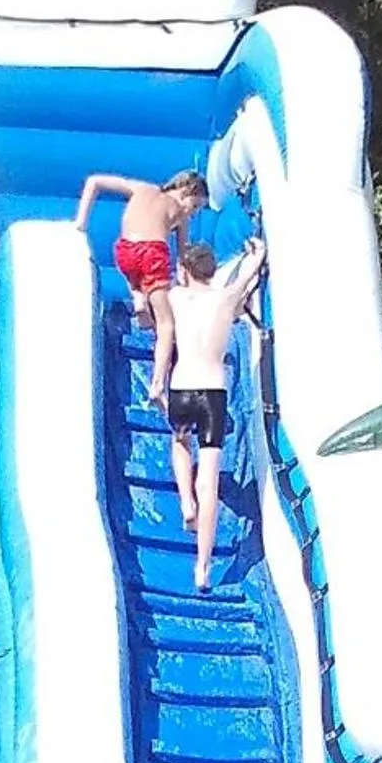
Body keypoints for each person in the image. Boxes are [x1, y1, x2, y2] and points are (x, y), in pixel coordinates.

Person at [165, 238, 266, 590]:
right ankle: (203, 567)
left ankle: (185, 503)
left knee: (180, 443)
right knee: (208, 480)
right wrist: (256, 252)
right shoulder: (226, 299)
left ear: (185, 271)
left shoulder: (177, 298)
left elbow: (165, 288)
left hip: (182, 387)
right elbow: (251, 270)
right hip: (212, 393)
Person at [72, 169, 210, 402]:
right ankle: (158, 385)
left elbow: (94, 181)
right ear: (185, 191)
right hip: (152, 254)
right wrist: (187, 287)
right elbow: (182, 257)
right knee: (167, 325)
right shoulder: (180, 215)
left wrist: (81, 223)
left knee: (136, 272)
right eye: (195, 206)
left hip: (124, 251)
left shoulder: (141, 187)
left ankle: (139, 299)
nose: (193, 213)